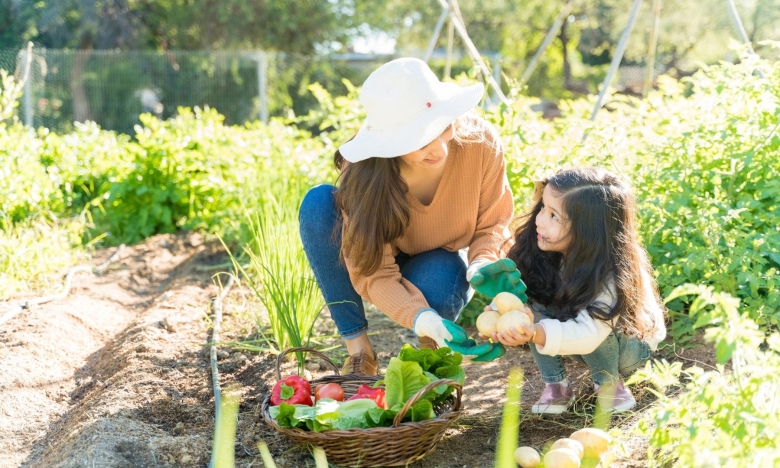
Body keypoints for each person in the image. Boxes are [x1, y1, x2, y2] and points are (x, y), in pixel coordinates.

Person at [298, 57, 527, 376]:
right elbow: (374, 271)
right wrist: (421, 316)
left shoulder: (480, 143)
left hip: (438, 259)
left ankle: (432, 350)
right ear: (390, 143)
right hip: (372, 260)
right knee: (319, 203)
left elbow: (493, 224)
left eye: (443, 127)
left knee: (440, 279)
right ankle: (360, 353)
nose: (439, 149)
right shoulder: (365, 175)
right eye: (419, 139)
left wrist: (483, 264)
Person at [488, 167, 666, 413]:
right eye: (543, 208)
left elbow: (591, 332)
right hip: (584, 334)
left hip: (628, 347)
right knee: (531, 304)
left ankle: (609, 384)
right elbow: (523, 293)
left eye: (554, 216)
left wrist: (533, 333)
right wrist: (503, 312)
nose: (539, 219)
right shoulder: (547, 252)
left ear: (588, 232)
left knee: (589, 313)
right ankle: (556, 386)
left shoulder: (610, 275)